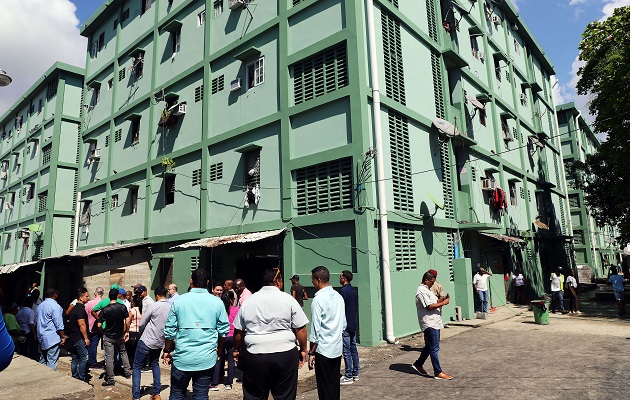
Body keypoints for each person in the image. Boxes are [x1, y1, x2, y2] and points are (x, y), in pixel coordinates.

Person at [233, 268, 309, 400]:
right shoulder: (288, 300)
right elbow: (301, 329)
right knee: (285, 395)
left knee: (254, 395)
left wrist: (237, 349)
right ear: (278, 282)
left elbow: (238, 331)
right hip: (284, 354)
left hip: (256, 355)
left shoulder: (249, 301)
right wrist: (303, 349)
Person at [163, 269, 229, 400]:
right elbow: (223, 330)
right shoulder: (217, 302)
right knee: (201, 395)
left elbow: (169, 330)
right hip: (206, 359)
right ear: (208, 282)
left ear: (191, 281)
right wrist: (219, 349)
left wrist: (167, 349)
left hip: (182, 357)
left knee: (176, 395)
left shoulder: (179, 301)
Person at [308, 266, 346, 400]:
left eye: (312, 280)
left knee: (324, 388)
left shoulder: (318, 299)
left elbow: (315, 329)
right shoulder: (338, 297)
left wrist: (311, 352)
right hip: (336, 348)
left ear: (318, 280)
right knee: (334, 385)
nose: (312, 283)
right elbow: (343, 325)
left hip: (323, 350)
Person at [411, 271, 453, 380]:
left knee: (430, 346)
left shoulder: (427, 290)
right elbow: (429, 306)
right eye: (431, 282)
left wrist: (443, 300)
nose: (432, 284)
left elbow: (435, 302)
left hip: (435, 322)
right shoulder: (421, 291)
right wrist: (443, 303)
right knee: (434, 347)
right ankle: (438, 372)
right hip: (429, 323)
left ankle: (418, 364)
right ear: (426, 280)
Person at [132, 287, 171, 400]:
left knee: (137, 366)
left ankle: (135, 396)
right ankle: (157, 393)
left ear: (157, 295)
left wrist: (140, 333)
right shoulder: (171, 307)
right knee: (155, 364)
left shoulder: (154, 305)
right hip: (159, 341)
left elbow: (142, 323)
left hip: (147, 339)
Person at [98, 288, 132, 386]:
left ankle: (110, 379)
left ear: (109, 297)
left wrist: (103, 332)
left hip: (109, 335)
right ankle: (127, 372)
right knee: (123, 352)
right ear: (117, 296)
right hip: (120, 334)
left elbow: (99, 325)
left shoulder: (105, 309)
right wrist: (127, 331)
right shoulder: (122, 307)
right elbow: (127, 320)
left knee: (109, 357)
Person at [211, 290, 239, 391]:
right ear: (232, 300)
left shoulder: (218, 310)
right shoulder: (236, 309)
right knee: (231, 360)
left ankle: (215, 383)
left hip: (221, 336)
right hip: (232, 337)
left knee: (218, 359)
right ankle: (229, 383)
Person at [36, 288, 66, 371]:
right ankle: (49, 380)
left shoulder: (40, 305)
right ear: (55, 295)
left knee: (43, 359)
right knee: (52, 361)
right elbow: (59, 324)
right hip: (52, 337)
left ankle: (41, 377)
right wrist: (63, 336)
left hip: (42, 336)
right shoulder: (55, 306)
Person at [339, 270, 359, 385]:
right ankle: (355, 373)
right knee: (353, 349)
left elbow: (341, 308)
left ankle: (348, 375)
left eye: (341, 276)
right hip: (353, 323)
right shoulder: (353, 290)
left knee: (346, 351)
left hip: (346, 325)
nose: (339, 278)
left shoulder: (343, 291)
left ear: (344, 278)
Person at [66, 288, 90, 381]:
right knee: (83, 357)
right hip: (78, 337)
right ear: (81, 298)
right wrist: (86, 338)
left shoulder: (75, 308)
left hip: (73, 337)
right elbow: (82, 324)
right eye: (86, 296)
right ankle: (81, 377)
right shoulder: (80, 309)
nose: (88, 298)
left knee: (75, 357)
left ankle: (75, 376)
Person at [85, 287, 104, 367]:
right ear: (102, 294)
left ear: (95, 294)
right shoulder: (103, 303)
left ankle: (89, 360)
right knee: (94, 344)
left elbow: (85, 314)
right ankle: (92, 362)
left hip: (89, 326)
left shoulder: (88, 303)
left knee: (89, 344)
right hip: (98, 327)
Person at [127, 296, 142, 366]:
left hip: (132, 331)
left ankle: (131, 366)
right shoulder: (142, 310)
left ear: (133, 303)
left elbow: (128, 321)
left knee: (130, 351)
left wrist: (126, 331)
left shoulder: (132, 310)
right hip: (139, 332)